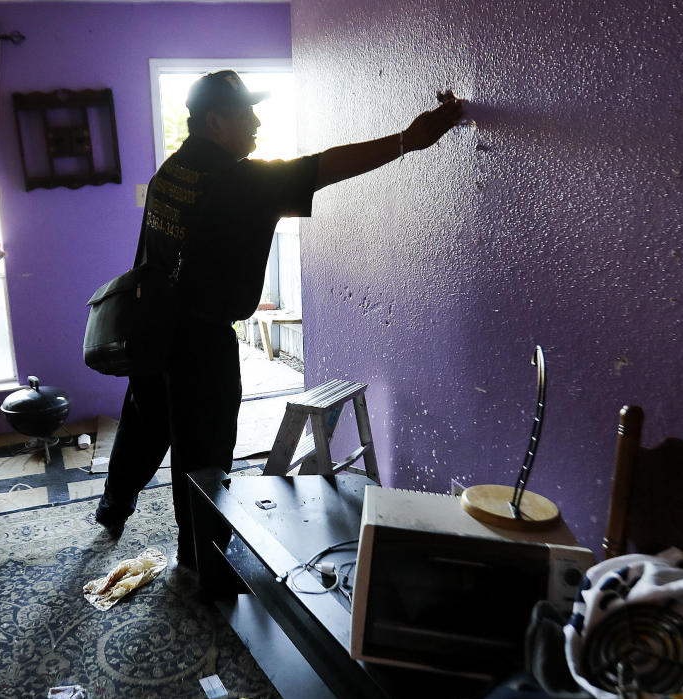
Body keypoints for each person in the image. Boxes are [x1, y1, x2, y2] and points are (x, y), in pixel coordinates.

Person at [95, 70, 465, 567]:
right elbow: (322, 168)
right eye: (246, 112)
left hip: (151, 329)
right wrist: (407, 140)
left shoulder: (172, 172)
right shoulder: (240, 182)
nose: (256, 121)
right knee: (202, 452)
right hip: (201, 342)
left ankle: (113, 507)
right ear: (215, 121)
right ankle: (199, 558)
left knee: (144, 423)